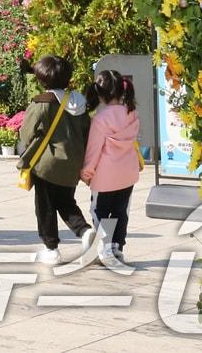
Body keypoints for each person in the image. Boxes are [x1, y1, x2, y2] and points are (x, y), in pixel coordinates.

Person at [18, 55, 94, 265]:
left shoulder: (42, 103)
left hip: (46, 165)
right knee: (66, 201)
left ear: (42, 79)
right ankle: (85, 232)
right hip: (72, 164)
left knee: (45, 207)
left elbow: (27, 134)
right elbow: (87, 132)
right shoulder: (80, 102)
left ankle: (51, 249)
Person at [81, 70, 142, 269]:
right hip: (128, 173)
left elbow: (93, 150)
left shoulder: (100, 119)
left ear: (100, 93)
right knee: (119, 211)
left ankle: (104, 247)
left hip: (105, 176)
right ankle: (117, 247)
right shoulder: (131, 112)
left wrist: (86, 173)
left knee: (99, 211)